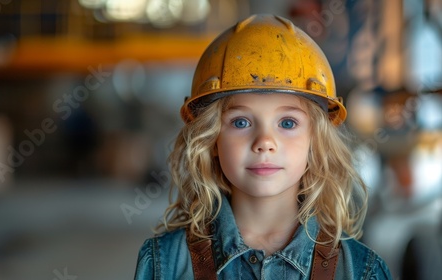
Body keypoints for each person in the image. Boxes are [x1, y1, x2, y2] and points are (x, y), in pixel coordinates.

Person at [134, 14, 392, 279]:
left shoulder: (362, 270)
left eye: (288, 123)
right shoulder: (164, 263)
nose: (265, 142)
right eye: (241, 122)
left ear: (316, 141)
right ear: (210, 139)